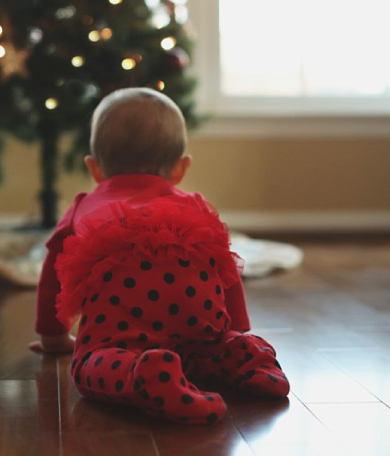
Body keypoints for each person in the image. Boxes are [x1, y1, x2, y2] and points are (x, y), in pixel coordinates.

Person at [30, 87, 289, 424]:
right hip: (194, 304)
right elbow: (226, 268)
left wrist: (54, 339)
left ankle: (144, 372)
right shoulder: (194, 205)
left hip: (124, 306)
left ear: (95, 168)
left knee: (90, 362)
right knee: (201, 350)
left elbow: (53, 278)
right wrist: (237, 332)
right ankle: (243, 356)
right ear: (180, 169)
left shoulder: (82, 206)